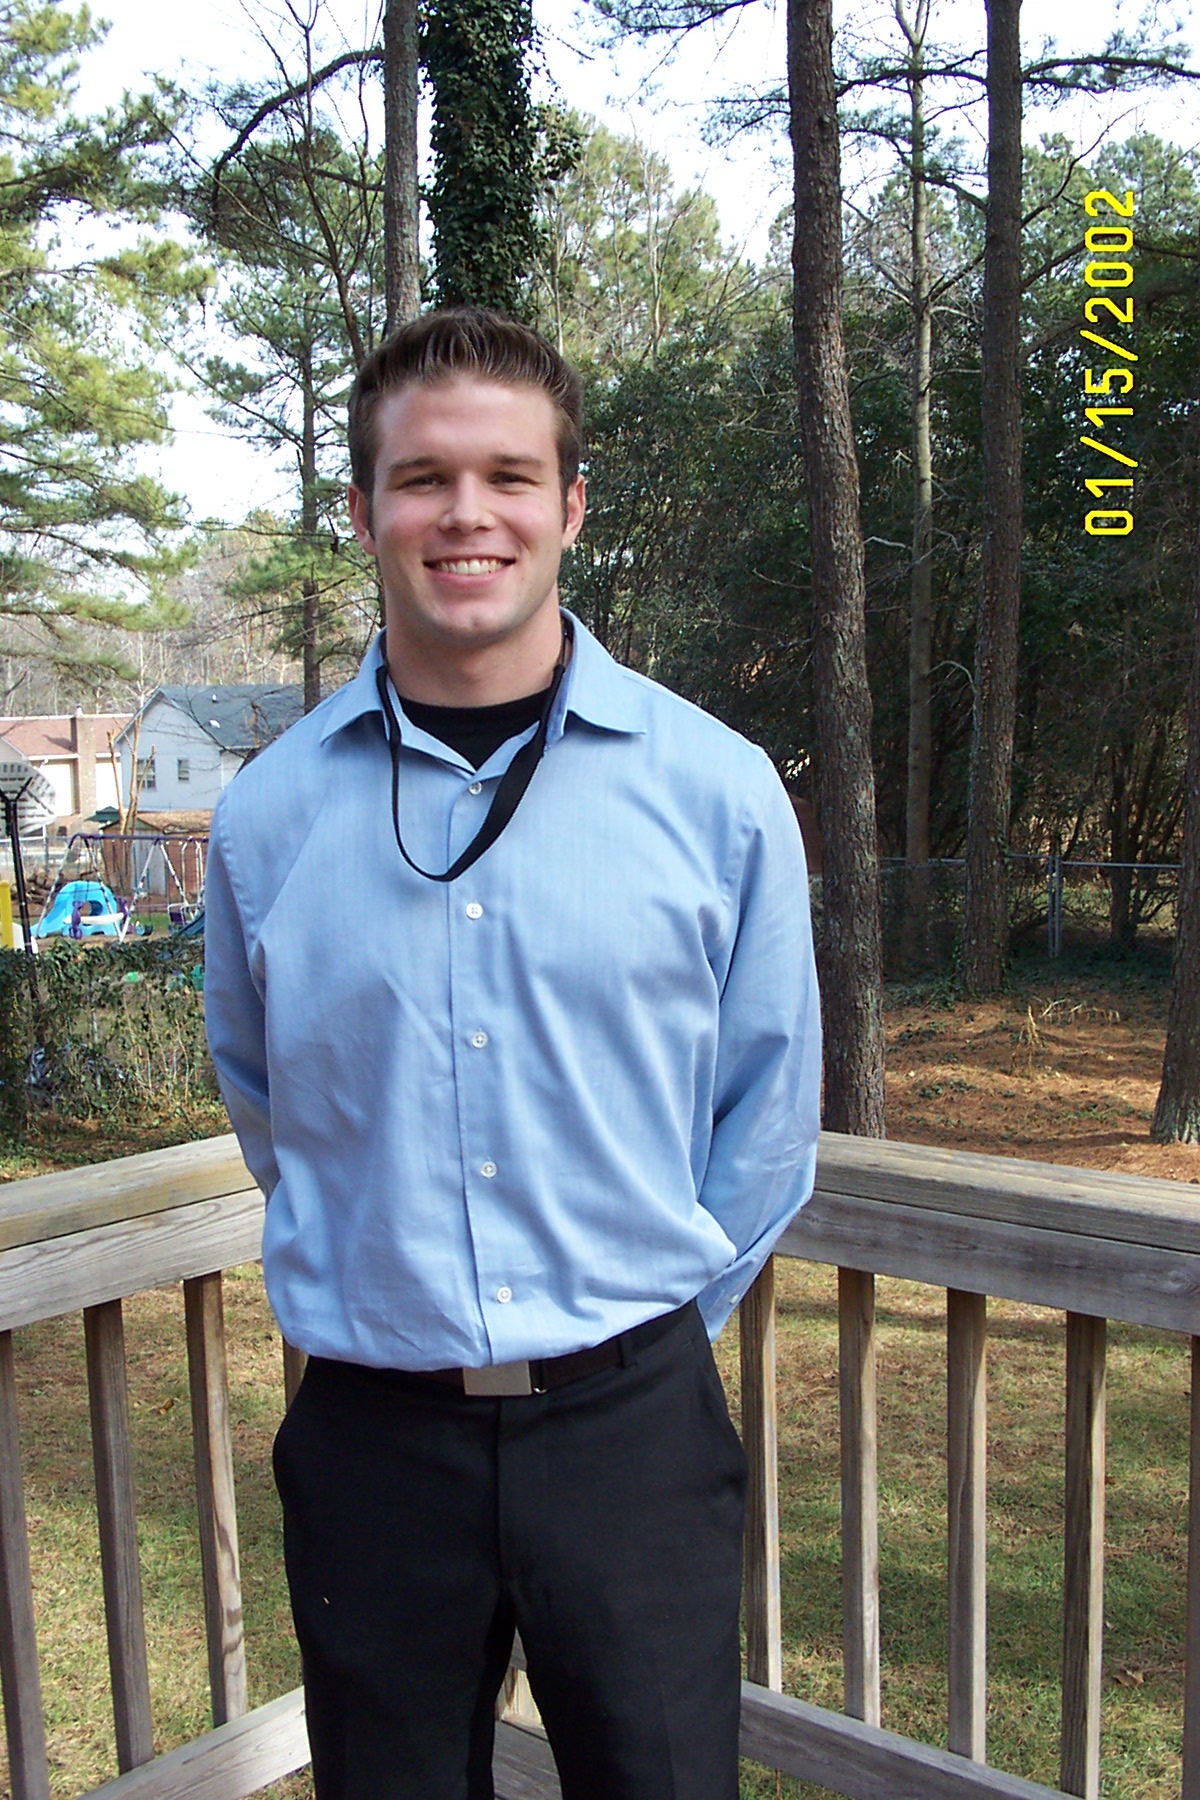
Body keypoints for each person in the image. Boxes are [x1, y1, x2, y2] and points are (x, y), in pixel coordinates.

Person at [204, 306, 821, 1800]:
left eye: (509, 476)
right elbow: (269, 1104)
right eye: (422, 478)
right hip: (372, 1441)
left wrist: (626, 1328)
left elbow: (767, 1119)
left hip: (632, 1434)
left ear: (570, 506)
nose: (466, 513)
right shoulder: (269, 816)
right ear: (365, 513)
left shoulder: (719, 792)